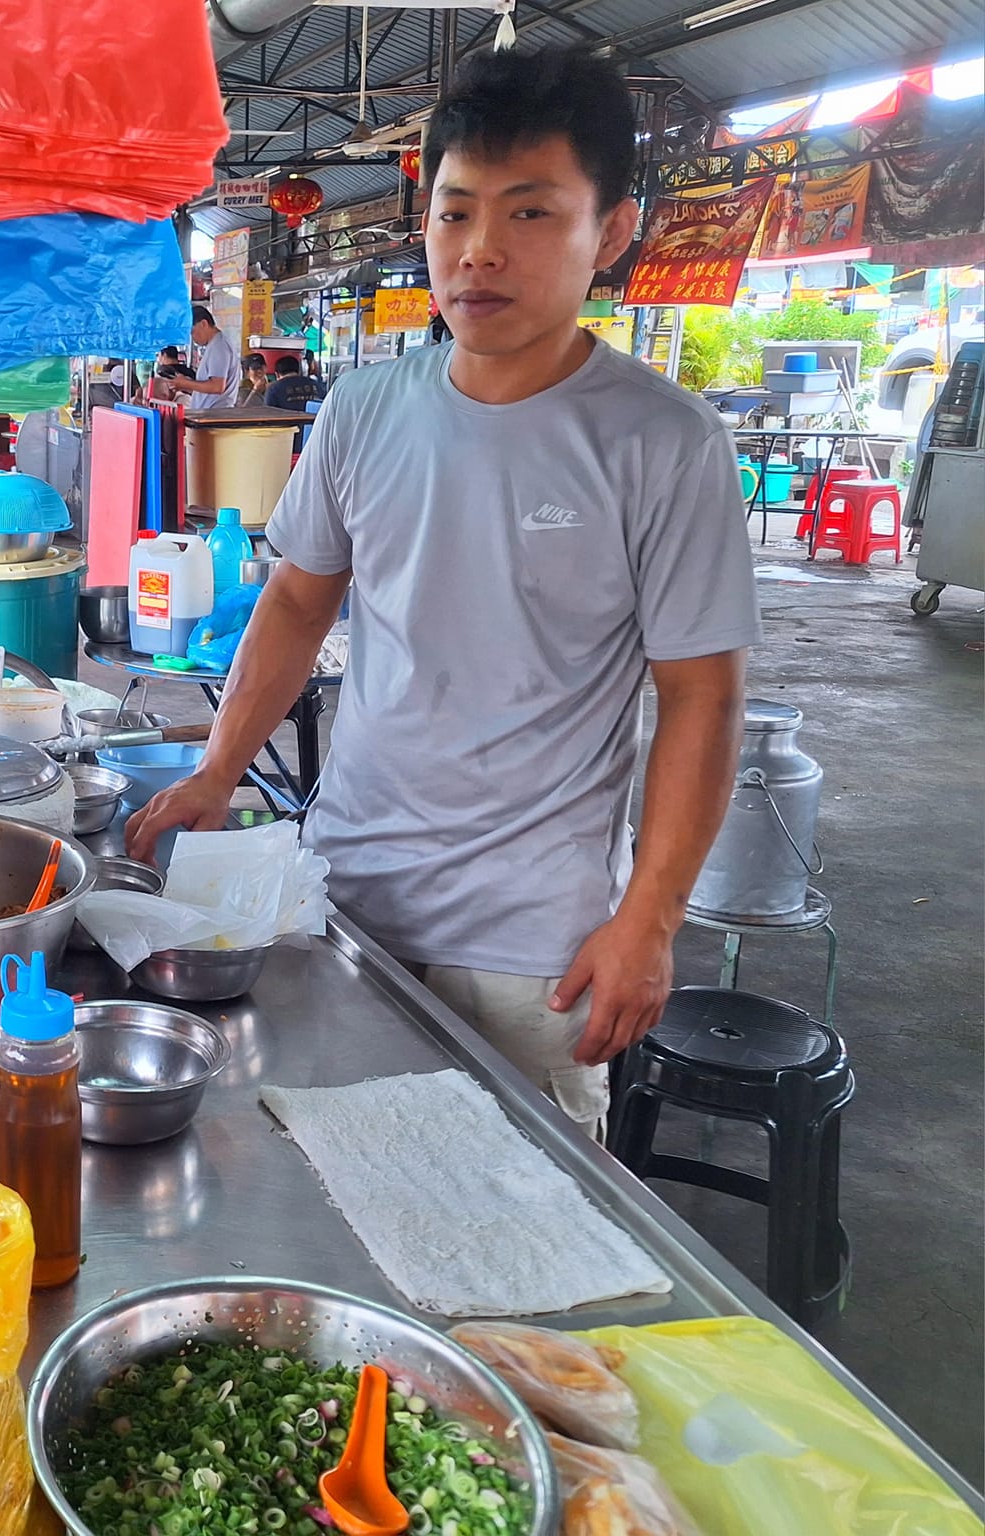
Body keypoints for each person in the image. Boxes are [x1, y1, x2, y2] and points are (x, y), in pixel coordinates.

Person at [128, 46, 758, 1137]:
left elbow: (699, 698)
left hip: (533, 947)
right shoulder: (366, 411)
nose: (477, 253)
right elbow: (292, 601)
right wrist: (214, 768)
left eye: (528, 215)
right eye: (453, 213)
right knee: (322, 1191)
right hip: (346, 892)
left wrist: (647, 921)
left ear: (605, 234)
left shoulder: (663, 442)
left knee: (525, 1246)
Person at [156, 306, 242, 407]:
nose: (192, 338)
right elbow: (209, 389)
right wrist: (186, 384)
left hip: (215, 414)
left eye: (192, 332)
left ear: (203, 324)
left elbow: (217, 387)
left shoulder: (219, 346)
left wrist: (186, 383)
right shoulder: (215, 345)